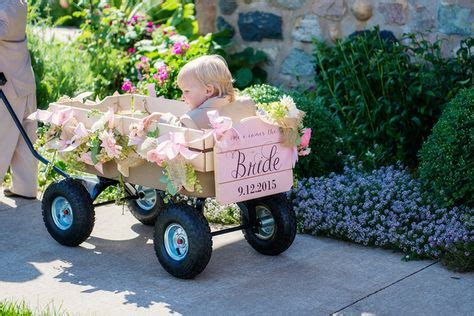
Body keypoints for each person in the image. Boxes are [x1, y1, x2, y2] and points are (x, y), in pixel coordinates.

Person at [143, 55, 256, 130]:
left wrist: (162, 117)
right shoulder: (246, 104)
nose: (183, 97)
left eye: (186, 91)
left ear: (208, 90)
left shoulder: (193, 118)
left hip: (212, 165)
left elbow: (179, 129)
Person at [0, 0, 38, 199]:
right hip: (24, 79)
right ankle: (25, 188)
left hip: (7, 86)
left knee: (2, 137)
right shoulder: (18, 3)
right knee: (25, 139)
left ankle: (24, 188)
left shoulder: (4, 9)